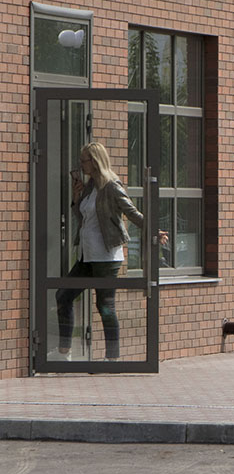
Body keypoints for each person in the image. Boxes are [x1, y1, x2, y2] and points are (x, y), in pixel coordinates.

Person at [57, 141, 165, 360]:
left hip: (106, 256)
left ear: (95, 161)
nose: (82, 165)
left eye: (84, 160)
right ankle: (64, 352)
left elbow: (132, 213)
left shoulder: (111, 186)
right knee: (63, 296)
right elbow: (83, 218)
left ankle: (112, 358)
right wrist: (76, 198)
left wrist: (155, 230)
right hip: (86, 256)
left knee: (104, 306)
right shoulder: (89, 186)